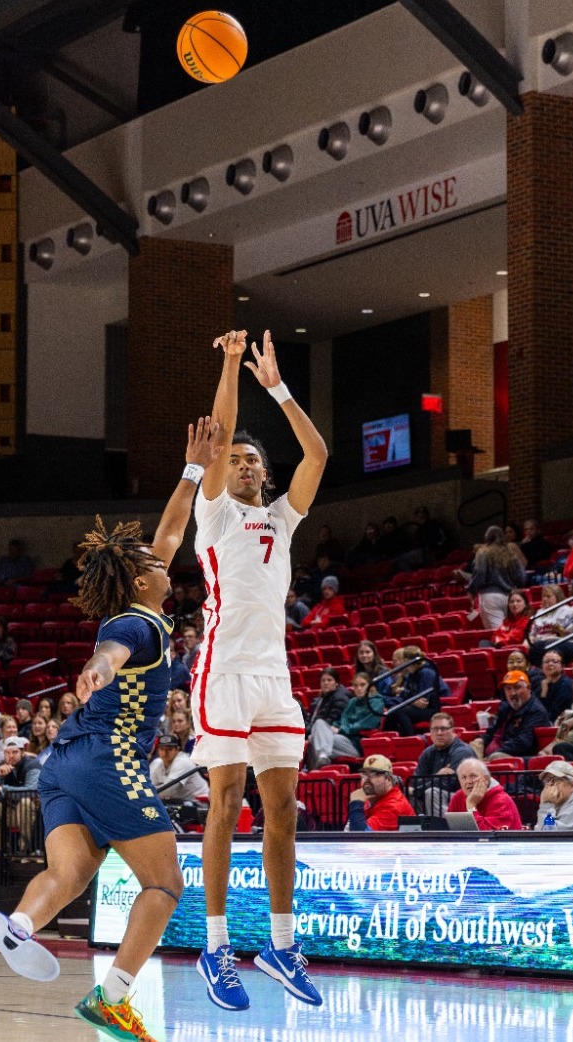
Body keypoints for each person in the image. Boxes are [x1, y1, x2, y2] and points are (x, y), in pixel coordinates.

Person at [0, 417, 212, 1041]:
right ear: (141, 581)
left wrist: (192, 470)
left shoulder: (141, 603)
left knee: (72, 873)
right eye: (156, 564)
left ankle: (19, 926)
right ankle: (113, 997)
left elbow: (170, 530)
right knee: (165, 882)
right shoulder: (139, 624)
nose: (168, 562)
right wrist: (97, 669)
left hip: (63, 764)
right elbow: (110, 652)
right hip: (109, 760)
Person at [189, 330, 329, 1011]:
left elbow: (318, 454)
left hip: (275, 678)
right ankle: (215, 947)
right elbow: (215, 438)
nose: (244, 465)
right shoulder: (214, 513)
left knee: (283, 813)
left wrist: (279, 389)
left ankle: (280, 944)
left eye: (253, 461)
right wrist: (228, 363)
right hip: (224, 671)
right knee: (225, 803)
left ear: (265, 475)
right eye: (237, 459)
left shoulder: (282, 517)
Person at [458, 526, 526, 630]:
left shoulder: (483, 553)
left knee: (498, 633)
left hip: (490, 597)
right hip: (510, 596)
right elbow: (521, 577)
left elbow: (480, 574)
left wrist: (471, 590)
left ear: (487, 538)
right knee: (510, 629)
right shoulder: (510, 553)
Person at [473, 671, 551, 762]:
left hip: (522, 757)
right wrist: (481, 741)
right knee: (472, 747)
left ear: (529, 688)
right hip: (496, 751)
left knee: (496, 758)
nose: (512, 693)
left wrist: (496, 752)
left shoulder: (536, 710)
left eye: (517, 687)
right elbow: (490, 731)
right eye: (508, 689)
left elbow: (523, 742)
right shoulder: (505, 707)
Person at [410, 712, 473, 814]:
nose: (439, 733)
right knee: (408, 796)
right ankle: (420, 824)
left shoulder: (462, 751)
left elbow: (448, 784)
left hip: (463, 797)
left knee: (432, 792)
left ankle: (440, 825)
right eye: (435, 729)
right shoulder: (428, 752)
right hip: (435, 796)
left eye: (443, 729)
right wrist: (437, 776)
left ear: (452, 730)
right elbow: (415, 782)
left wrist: (416, 790)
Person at [442, 757, 523, 830]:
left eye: (473, 776)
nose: (468, 781)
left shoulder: (502, 801)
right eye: (463, 777)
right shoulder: (458, 796)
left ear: (486, 779)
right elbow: (448, 829)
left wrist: (471, 806)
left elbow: (487, 837)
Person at [378, 643, 441, 737]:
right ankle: (390, 739)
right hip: (415, 707)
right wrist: (411, 699)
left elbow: (423, 701)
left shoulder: (427, 673)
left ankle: (410, 738)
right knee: (391, 711)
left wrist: (409, 698)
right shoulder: (411, 674)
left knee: (400, 711)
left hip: (431, 710)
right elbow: (407, 695)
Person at [343, 755, 416, 832]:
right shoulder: (370, 798)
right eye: (364, 774)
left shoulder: (393, 806)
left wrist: (356, 804)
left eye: (374, 774)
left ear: (389, 779)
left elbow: (361, 836)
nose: (367, 779)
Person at [304, 668, 352, 769]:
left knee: (317, 728)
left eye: (329, 680)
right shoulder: (318, 700)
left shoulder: (340, 697)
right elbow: (310, 721)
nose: (326, 683)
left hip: (339, 736)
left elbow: (330, 721)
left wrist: (308, 731)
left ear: (336, 683)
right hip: (320, 734)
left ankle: (319, 763)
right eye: (323, 680)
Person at [333, 673, 385, 763]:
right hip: (344, 738)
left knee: (326, 740)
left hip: (359, 743)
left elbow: (365, 725)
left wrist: (341, 730)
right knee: (314, 738)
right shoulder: (352, 702)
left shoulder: (377, 702)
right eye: (356, 686)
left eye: (362, 685)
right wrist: (333, 726)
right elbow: (343, 719)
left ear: (370, 686)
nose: (359, 688)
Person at [149, 733, 207, 802]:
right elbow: (148, 785)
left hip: (200, 802)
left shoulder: (183, 762)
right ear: (158, 750)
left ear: (177, 750)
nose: (165, 753)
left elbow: (168, 790)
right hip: (180, 801)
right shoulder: (156, 763)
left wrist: (147, 792)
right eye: (162, 749)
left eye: (169, 749)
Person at [531, 650, 573, 720]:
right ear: (541, 666)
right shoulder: (541, 684)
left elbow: (553, 715)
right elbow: (533, 709)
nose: (550, 664)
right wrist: (543, 692)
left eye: (554, 661)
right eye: (546, 661)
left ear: (562, 666)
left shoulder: (567, 686)